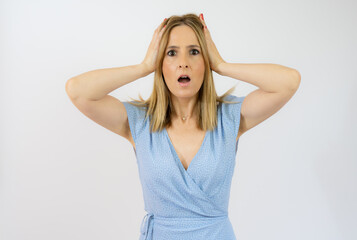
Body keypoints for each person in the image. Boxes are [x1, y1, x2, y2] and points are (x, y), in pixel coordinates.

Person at [65, 13, 301, 240]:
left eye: (194, 52)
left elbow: (289, 82)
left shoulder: (229, 118)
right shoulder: (139, 122)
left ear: (205, 61)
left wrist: (220, 64)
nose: (183, 64)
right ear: (161, 63)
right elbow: (77, 90)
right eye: (171, 53)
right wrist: (145, 65)